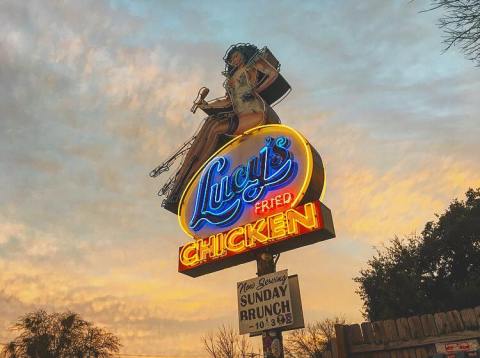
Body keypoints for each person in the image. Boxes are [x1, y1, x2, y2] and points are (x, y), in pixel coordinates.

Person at [163, 43, 287, 213]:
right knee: (212, 126)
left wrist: (255, 89)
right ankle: (194, 172)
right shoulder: (230, 80)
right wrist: (206, 105)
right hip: (240, 115)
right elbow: (227, 101)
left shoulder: (253, 64)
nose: (235, 59)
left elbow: (273, 74)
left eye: (237, 56)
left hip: (255, 112)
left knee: (215, 129)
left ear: (243, 55)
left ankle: (196, 171)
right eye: (232, 58)